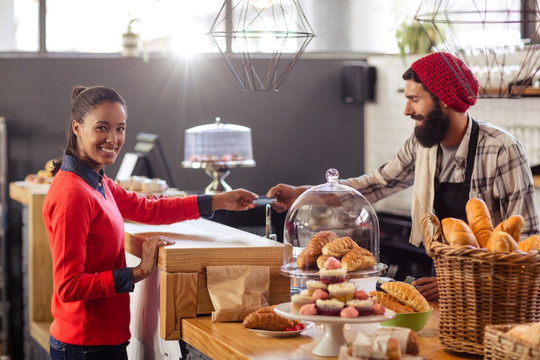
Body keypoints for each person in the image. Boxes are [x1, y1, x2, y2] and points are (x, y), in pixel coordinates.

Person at [266, 52, 540, 301]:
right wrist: (303, 194)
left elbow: (528, 248)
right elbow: (377, 184)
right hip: (441, 275)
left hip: (497, 288)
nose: (407, 110)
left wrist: (460, 282)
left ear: (443, 99)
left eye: (414, 99)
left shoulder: (502, 149)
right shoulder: (423, 144)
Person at [43, 85, 258, 360]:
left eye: (120, 128)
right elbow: (69, 286)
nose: (113, 138)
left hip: (101, 341)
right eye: (102, 128)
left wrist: (217, 201)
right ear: (77, 128)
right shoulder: (72, 193)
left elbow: (148, 209)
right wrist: (138, 272)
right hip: (85, 345)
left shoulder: (97, 182)